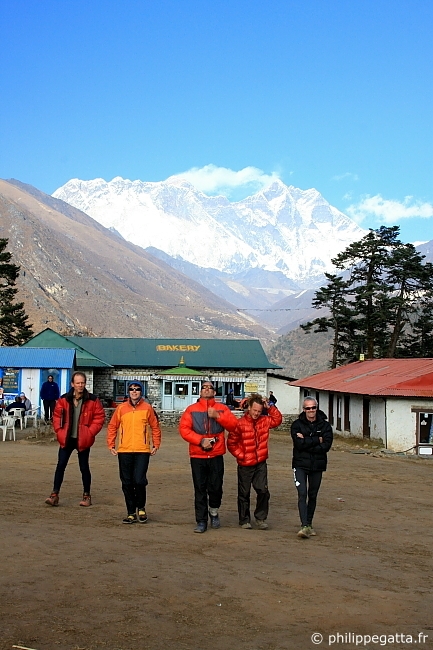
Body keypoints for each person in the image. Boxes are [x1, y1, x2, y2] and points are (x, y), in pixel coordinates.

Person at [179, 381, 238, 533]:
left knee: (216, 487)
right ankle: (201, 521)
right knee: (199, 488)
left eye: (209, 387)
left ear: (214, 392)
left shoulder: (222, 408)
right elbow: (184, 430)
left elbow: (233, 426)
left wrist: (218, 416)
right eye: (203, 387)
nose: (206, 389)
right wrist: (200, 440)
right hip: (197, 455)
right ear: (199, 392)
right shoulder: (191, 410)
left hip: (216, 454)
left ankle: (214, 510)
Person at [45, 372, 105, 507]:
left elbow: (99, 418)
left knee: (84, 467)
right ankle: (54, 495)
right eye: (78, 383)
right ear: (72, 384)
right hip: (66, 438)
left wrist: (90, 433)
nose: (80, 385)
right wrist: (59, 431)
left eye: (82, 382)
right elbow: (56, 416)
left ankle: (87, 496)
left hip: (83, 439)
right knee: (60, 466)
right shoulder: (63, 399)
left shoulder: (93, 400)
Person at [107, 382, 161, 524]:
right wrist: (111, 444)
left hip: (142, 450)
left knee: (139, 480)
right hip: (124, 450)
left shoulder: (147, 408)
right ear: (128, 392)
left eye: (137, 389)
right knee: (127, 482)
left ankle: (141, 508)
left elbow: (155, 426)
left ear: (141, 392)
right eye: (131, 389)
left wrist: (156, 444)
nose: (134, 391)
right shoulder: (121, 408)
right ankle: (131, 512)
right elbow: (113, 426)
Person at [227, 395, 282, 530]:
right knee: (244, 493)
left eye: (259, 411)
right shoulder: (239, 424)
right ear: (249, 408)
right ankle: (244, 520)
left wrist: (270, 408)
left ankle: (260, 517)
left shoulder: (265, 421)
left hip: (260, 462)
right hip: (245, 464)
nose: (257, 413)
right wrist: (242, 456)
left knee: (263, 491)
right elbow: (231, 443)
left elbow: (277, 420)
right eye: (255, 410)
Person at [291, 397, 333, 538]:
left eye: (313, 408)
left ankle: (309, 523)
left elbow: (326, 446)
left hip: (317, 465)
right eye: (308, 408)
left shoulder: (325, 426)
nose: (311, 411)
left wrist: (307, 441)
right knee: (302, 493)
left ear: (317, 408)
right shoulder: (296, 425)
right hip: (300, 465)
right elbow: (298, 444)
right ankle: (304, 525)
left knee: (312, 495)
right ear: (303, 409)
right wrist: (316, 440)